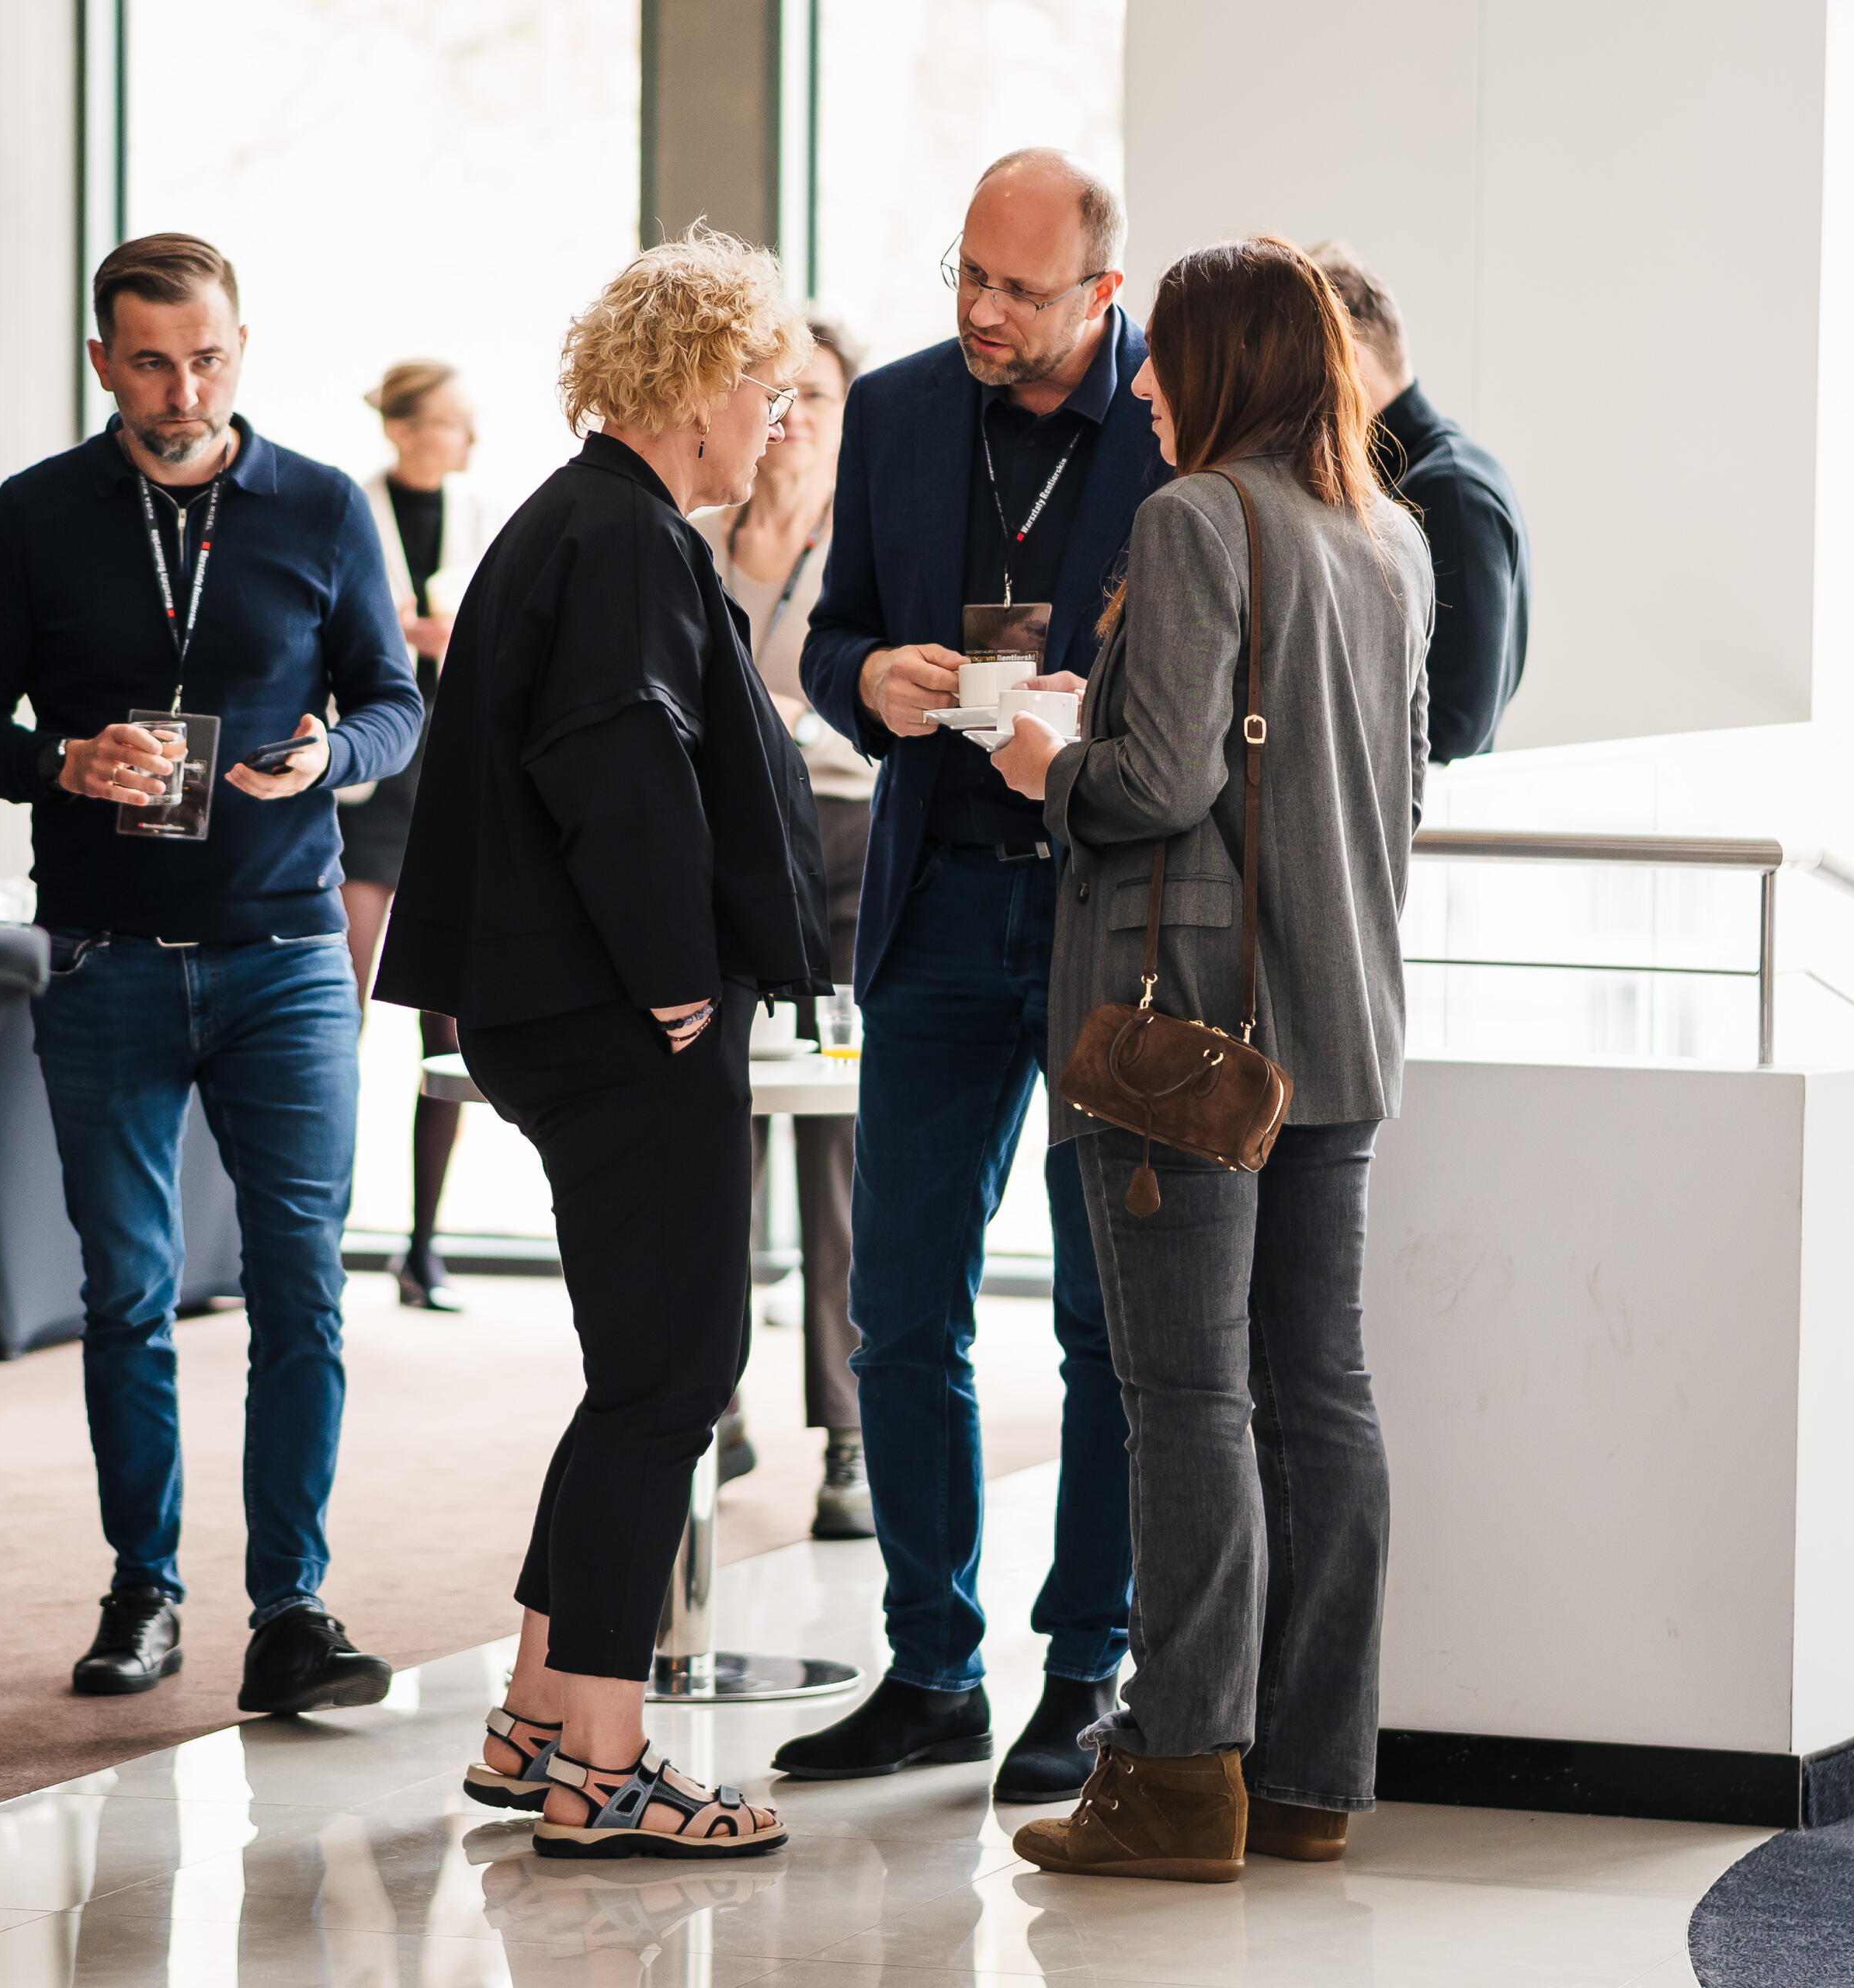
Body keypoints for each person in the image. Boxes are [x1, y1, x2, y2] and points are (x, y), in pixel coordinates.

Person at [377, 228, 827, 1858]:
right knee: (672, 1378)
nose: (778, 419)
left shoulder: (582, 518)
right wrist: (671, 972)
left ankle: (534, 1717)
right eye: (768, 389)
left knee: (636, 1374)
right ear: (698, 388)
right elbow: (616, 759)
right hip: (617, 1014)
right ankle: (606, 1769)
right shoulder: (625, 536)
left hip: (556, 1005)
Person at [993, 237, 1431, 1882]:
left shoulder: (1196, 520)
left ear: (1224, 365)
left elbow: (1157, 783)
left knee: (1187, 1399)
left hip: (1184, 1034)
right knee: (1320, 1394)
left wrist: (1050, 760)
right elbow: (1399, 795)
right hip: (1339, 1022)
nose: (1145, 391)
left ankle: (1181, 1776)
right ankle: (1309, 1775)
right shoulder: (1387, 537)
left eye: (1164, 359)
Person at [0, 232, 420, 1714]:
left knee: (302, 1288)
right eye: (150, 363)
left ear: (241, 350)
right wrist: (63, 763)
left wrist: (330, 760)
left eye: (206, 359)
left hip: (287, 959)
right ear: (103, 363)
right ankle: (143, 1588)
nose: (182, 391)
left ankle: (293, 1610)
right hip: (105, 960)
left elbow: (394, 701)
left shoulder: (322, 506)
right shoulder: (37, 514)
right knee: (128, 1293)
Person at [788, 148, 1163, 1803]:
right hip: (936, 901)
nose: (982, 310)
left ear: (1102, 290)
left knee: (1103, 1323)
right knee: (897, 1311)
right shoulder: (898, 410)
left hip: (1105, 914)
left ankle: (1086, 1671)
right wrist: (870, 672)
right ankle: (932, 1668)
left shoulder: (1171, 425)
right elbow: (829, 635)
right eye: (967, 273)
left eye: (1020, 288)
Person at [693, 312, 877, 1541]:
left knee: (839, 1149)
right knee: (713, 1138)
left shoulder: (870, 545)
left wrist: (790, 719)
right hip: (722, 858)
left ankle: (849, 1435)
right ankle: (713, 1402)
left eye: (817, 395)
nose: (794, 414)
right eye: (777, 392)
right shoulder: (698, 538)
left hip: (848, 849)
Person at [337, 361, 491, 1312]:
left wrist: (451, 637)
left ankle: (422, 1247)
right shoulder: (351, 509)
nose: (468, 440)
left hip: (452, 780)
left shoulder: (481, 517)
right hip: (371, 783)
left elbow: (507, 642)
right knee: (339, 1013)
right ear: (403, 429)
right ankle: (319, 1232)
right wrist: (394, 632)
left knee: (449, 1027)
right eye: (452, 423)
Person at [1308, 242, 1527, 762]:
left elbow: (1455, 722)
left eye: (1297, 364)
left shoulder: (1451, 491)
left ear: (1347, 360)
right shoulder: (1417, 480)